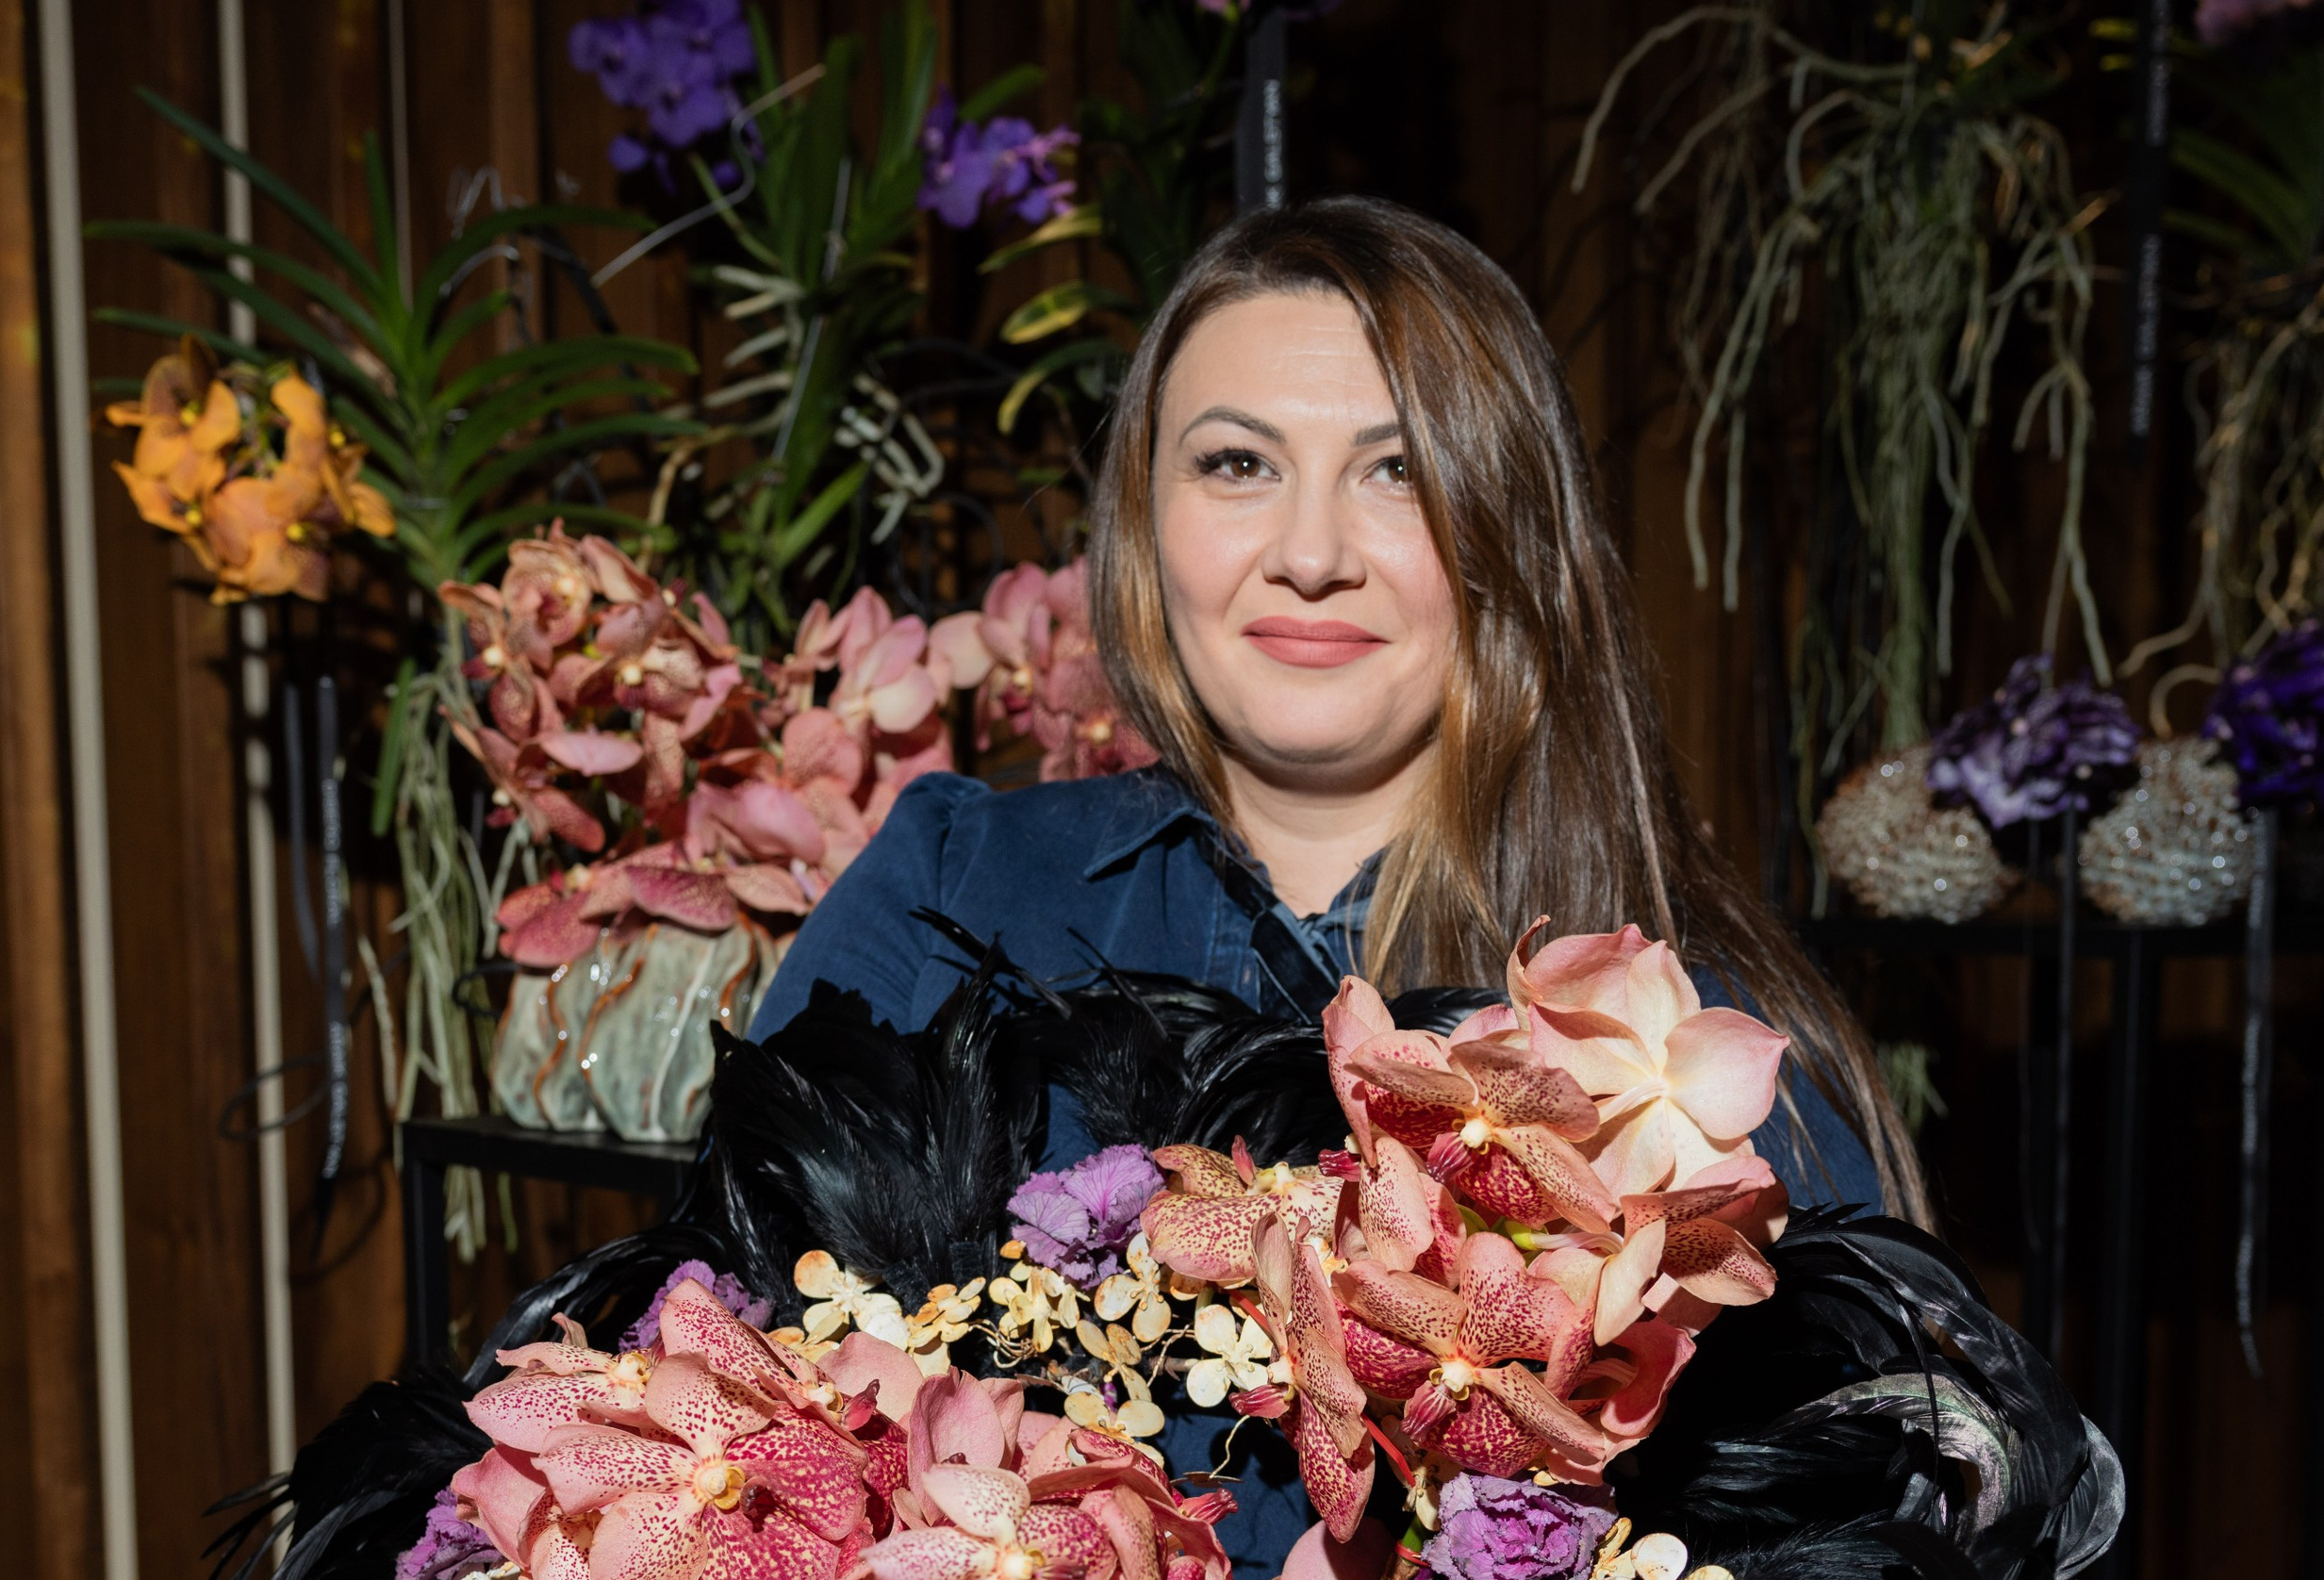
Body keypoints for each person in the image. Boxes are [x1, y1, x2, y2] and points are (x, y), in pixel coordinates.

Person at [749, 195, 1920, 1223]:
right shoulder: (950, 888)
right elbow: (710, 1355)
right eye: (1237, 464)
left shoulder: (1689, 1034)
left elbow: (1936, 1448)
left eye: (1397, 471)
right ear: (1143, 521)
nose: (1310, 556)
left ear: (1509, 540)